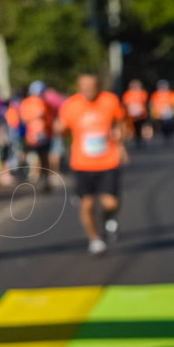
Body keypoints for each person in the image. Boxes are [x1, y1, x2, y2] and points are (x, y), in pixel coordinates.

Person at [56, 74, 128, 256]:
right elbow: (63, 130)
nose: (88, 90)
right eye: (84, 86)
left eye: (91, 86)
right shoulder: (71, 105)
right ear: (79, 87)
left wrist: (120, 141)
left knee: (110, 203)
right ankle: (95, 240)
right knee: (87, 205)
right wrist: (59, 129)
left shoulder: (109, 101)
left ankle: (107, 219)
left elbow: (122, 121)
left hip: (108, 160)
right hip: (82, 163)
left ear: (98, 86)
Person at [20, 81, 55, 191]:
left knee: (44, 158)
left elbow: (50, 119)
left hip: (45, 135)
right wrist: (35, 117)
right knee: (31, 156)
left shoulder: (46, 104)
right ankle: (27, 175)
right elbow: (23, 119)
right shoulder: (27, 103)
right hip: (31, 136)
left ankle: (45, 180)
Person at [121, 79, 148, 148]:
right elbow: (125, 104)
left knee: (140, 128)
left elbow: (144, 101)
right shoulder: (127, 94)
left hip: (141, 115)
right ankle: (136, 140)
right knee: (134, 129)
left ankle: (140, 140)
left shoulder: (142, 93)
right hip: (131, 116)